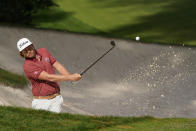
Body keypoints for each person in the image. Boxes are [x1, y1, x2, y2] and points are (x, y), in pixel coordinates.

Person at [17, 38, 81, 113]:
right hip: (41, 102)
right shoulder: (28, 66)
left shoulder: (44, 51)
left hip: (56, 99)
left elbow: (58, 66)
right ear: (22, 54)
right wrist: (70, 77)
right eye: (25, 51)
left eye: (30, 48)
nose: (29, 51)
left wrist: (71, 78)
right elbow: (49, 77)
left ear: (33, 45)